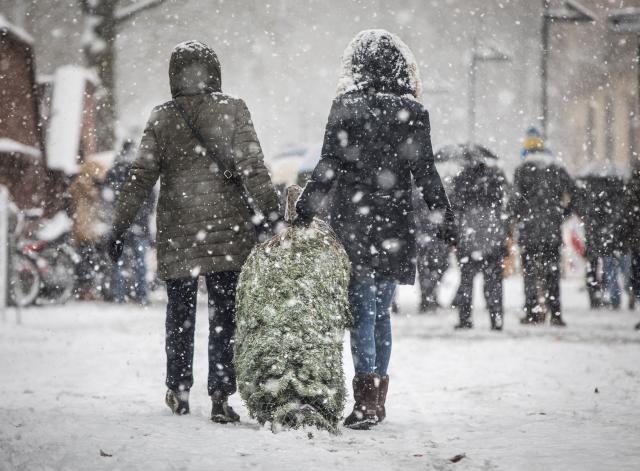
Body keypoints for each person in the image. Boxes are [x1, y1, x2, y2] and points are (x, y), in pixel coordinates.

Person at [108, 41, 280, 422]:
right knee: (225, 315)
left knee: (180, 313)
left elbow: (140, 178)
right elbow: (253, 167)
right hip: (228, 230)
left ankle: (178, 389)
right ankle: (220, 396)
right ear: (214, 72)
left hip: (178, 232)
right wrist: (272, 214)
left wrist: (119, 226)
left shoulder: (162, 117)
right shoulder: (234, 109)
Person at [296, 29, 455, 429]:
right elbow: (425, 172)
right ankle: (376, 397)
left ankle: (366, 400)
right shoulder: (412, 111)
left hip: (354, 221)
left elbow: (329, 164)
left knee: (362, 312)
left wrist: (305, 207)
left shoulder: (345, 107)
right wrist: (442, 215)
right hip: (395, 223)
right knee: (380, 312)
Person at [509, 127, 576, 326]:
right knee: (552, 274)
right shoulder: (556, 168)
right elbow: (576, 193)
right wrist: (562, 214)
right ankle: (555, 313)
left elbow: (514, 202)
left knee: (530, 273)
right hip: (551, 230)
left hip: (529, 231)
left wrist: (517, 218)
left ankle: (532, 312)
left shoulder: (522, 169)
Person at [450, 154, 508, 330]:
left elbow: (453, 207)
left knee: (466, 280)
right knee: (493, 282)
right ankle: (496, 317)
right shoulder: (495, 179)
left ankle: (465, 318)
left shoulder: (462, 180)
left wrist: (455, 236)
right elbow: (504, 204)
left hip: (469, 236)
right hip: (493, 235)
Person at [105, 140, 155, 305]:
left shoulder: (116, 169)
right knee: (140, 262)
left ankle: (119, 296)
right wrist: (144, 213)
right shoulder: (142, 168)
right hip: (139, 223)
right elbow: (151, 196)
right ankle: (142, 296)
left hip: (120, 224)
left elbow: (109, 193)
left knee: (118, 261)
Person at [574, 169, 627, 309]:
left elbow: (579, 207)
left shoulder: (587, 186)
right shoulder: (615, 186)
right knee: (608, 264)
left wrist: (585, 217)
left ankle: (594, 298)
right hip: (609, 233)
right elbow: (620, 210)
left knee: (592, 265)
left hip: (592, 232)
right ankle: (610, 295)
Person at [69, 159, 109, 300]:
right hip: (86, 228)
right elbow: (93, 196)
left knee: (86, 260)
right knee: (88, 261)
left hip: (84, 227)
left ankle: (84, 290)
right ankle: (85, 290)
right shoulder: (86, 185)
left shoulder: (79, 183)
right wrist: (99, 187)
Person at [414, 190, 450, 313]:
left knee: (435, 268)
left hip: (435, 237)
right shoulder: (420, 192)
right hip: (428, 237)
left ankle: (429, 297)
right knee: (428, 269)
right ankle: (427, 298)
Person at [623, 164, 640, 328]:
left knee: (637, 274)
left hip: (637, 239)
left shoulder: (633, 183)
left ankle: (633, 295)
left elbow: (628, 212)